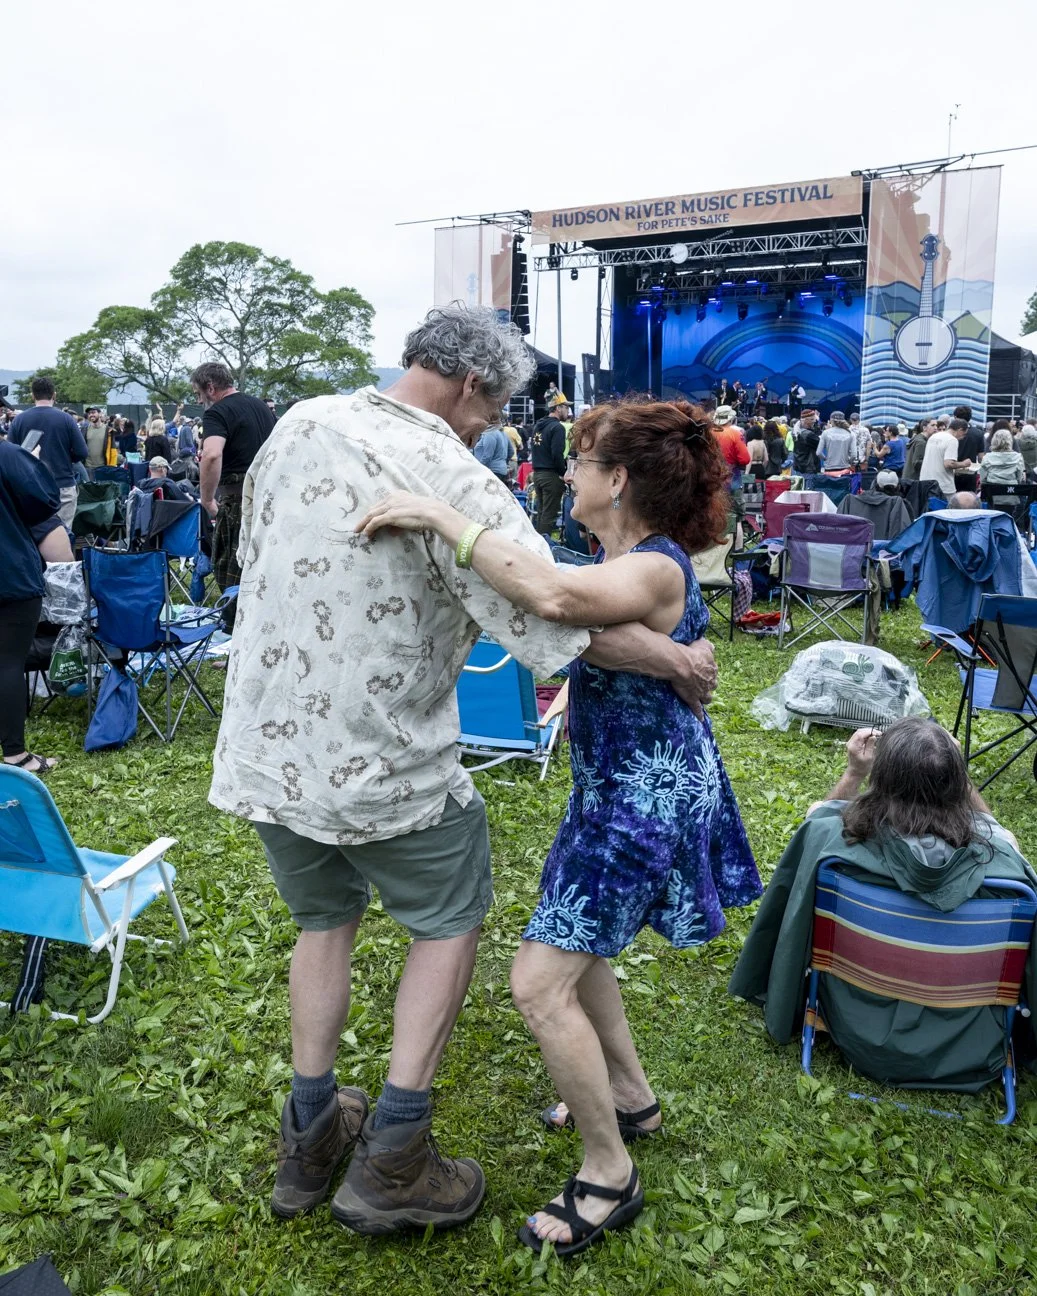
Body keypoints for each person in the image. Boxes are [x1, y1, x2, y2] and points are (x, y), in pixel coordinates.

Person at [208, 305, 721, 1237]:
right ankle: (396, 1155)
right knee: (446, 923)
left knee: (322, 923)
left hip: (269, 750)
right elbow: (552, 624)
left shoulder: (298, 421)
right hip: (385, 762)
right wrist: (675, 659)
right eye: (492, 414)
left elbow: (247, 552)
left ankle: (308, 1134)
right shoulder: (451, 471)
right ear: (473, 387)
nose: (490, 431)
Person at [356, 395, 761, 1255]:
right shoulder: (620, 559)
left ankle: (608, 1172)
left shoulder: (653, 566)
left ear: (614, 480)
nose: (563, 474)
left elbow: (548, 597)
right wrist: (670, 657)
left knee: (539, 981)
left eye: (578, 463)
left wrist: (440, 515)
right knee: (576, 956)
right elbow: (570, 623)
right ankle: (630, 1096)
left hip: (641, 800)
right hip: (610, 789)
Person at [729, 720, 1034, 1082]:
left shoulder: (834, 843)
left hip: (853, 1022)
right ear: (955, 783)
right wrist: (956, 770)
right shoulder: (1004, 869)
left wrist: (854, 771)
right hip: (966, 1039)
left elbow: (814, 819)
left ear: (883, 778)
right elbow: (998, 831)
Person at [191, 361, 276, 614]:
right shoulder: (261, 406)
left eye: (198, 393)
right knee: (264, 566)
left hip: (238, 502)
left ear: (210, 387)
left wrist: (207, 499)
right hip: (270, 498)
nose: (199, 400)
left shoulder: (217, 412)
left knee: (231, 569)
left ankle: (234, 633)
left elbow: (212, 455)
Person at [0, 438, 62, 776]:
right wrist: (30, 463)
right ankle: (15, 755)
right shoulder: (8, 454)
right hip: (10, 573)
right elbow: (45, 502)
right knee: (7, 663)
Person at [7, 376, 88, 527]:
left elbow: (9, 454)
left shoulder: (19, 420)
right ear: (54, 395)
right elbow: (82, 452)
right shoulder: (67, 419)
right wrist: (65, 457)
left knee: (33, 535)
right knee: (63, 535)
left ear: (33, 396)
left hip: (29, 488)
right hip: (62, 485)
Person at [530, 403, 567, 535]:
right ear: (558, 408)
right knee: (549, 516)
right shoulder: (557, 428)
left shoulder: (537, 426)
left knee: (541, 514)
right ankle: (543, 549)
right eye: (566, 407)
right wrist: (563, 473)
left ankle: (536, 545)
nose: (568, 411)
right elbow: (557, 453)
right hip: (551, 476)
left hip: (537, 474)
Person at [710, 405, 750, 517]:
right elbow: (745, 459)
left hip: (711, 479)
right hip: (732, 478)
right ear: (731, 418)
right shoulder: (736, 433)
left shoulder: (708, 433)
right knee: (737, 514)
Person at [920, 417, 973, 498]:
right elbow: (948, 464)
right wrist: (964, 464)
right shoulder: (952, 440)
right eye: (964, 434)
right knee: (947, 509)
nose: (963, 438)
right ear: (960, 430)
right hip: (942, 485)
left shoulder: (934, 436)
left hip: (925, 481)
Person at [791, 409, 821, 476]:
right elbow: (820, 444)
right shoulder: (808, 435)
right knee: (809, 485)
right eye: (813, 419)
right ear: (807, 420)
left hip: (799, 466)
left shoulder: (796, 431)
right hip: (809, 467)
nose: (814, 421)